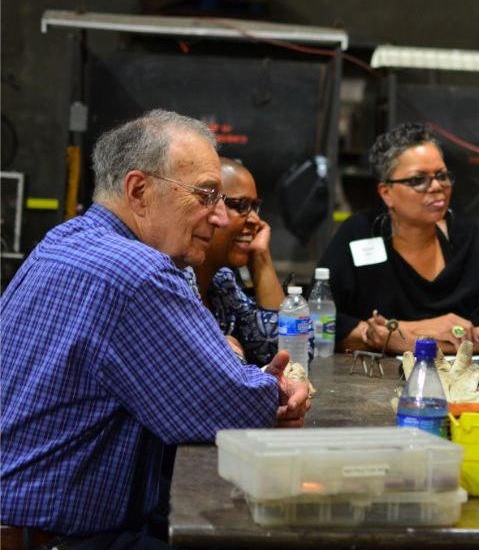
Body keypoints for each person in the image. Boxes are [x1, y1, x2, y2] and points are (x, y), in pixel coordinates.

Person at [0, 110, 312, 548]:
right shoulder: (138, 272)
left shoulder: (63, 240)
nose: (220, 218)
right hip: (65, 539)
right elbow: (230, 406)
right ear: (139, 191)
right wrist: (274, 390)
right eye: (206, 195)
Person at [318, 122, 479, 354]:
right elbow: (319, 324)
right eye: (418, 180)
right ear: (387, 193)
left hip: (454, 375)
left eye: (442, 176)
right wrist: (427, 329)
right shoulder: (358, 234)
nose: (437, 186)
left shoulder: (466, 238)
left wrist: (407, 340)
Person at [190, 157, 286, 366]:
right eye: (241, 205)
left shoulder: (222, 282)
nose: (255, 220)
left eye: (254, 207)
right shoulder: (172, 281)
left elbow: (284, 351)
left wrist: (261, 258)